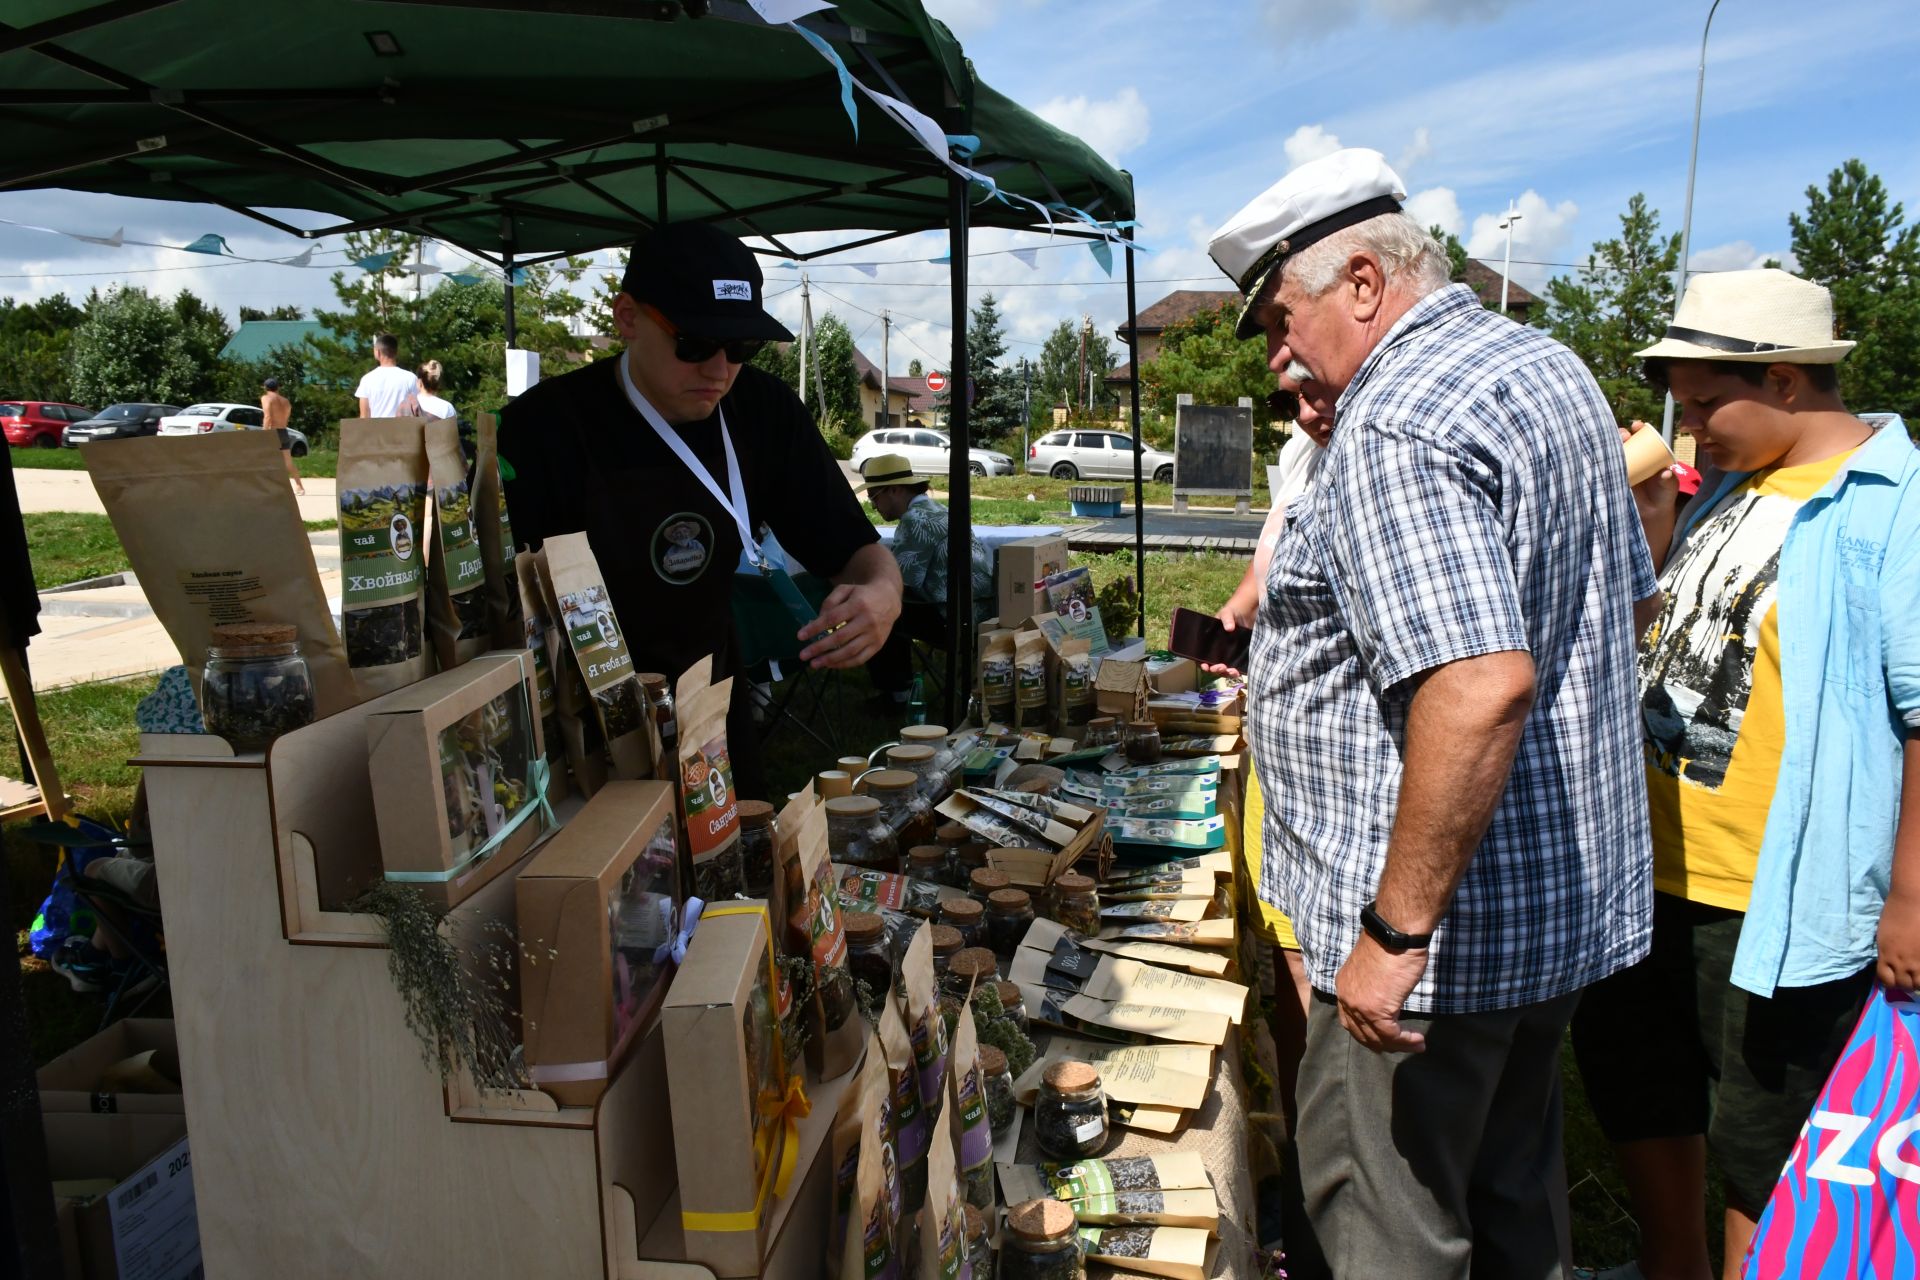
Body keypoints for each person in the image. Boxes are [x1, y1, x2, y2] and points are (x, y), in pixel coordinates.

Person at [1213, 147, 1659, 1276]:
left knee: (1387, 1231)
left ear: (1363, 283)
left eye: (1280, 319)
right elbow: (1625, 603)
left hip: (1431, 962)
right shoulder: (1546, 367)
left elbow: (1479, 681)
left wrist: (1389, 936)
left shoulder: (1396, 419)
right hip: (1541, 918)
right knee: (1513, 1199)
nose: (1278, 362)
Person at [1570, 269, 1920, 1280]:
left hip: (1772, 898)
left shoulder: (1890, 503)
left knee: (1764, 1145)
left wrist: (1910, 893)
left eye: (1700, 400)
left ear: (1784, 381)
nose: (1686, 424)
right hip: (1649, 873)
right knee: (1645, 1092)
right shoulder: (1732, 482)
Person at [498, 222, 901, 798]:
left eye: (740, 347)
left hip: (713, 710)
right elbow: (502, 615)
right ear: (628, 317)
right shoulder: (545, 430)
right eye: (694, 343)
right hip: (579, 728)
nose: (719, 369)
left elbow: (854, 550)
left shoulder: (763, 410)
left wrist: (883, 593)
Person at [858, 452, 992, 709]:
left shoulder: (915, 521)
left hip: (955, 620)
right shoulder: (938, 509)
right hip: (981, 612)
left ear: (894, 490)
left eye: (874, 497)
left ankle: (896, 694)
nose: (873, 506)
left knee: (877, 607)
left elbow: (898, 582)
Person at [356, 333, 422, 418]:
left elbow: (364, 416)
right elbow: (417, 410)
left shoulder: (366, 380)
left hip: (376, 430)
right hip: (402, 429)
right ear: (396, 352)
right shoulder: (410, 378)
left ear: (378, 352)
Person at [260, 376, 303, 495]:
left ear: (265, 387)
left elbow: (267, 416)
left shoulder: (266, 398)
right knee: (288, 462)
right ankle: (299, 486)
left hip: (272, 432)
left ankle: (270, 487)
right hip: (283, 431)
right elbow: (286, 417)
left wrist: (264, 432)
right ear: (278, 387)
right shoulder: (285, 401)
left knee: (266, 460)